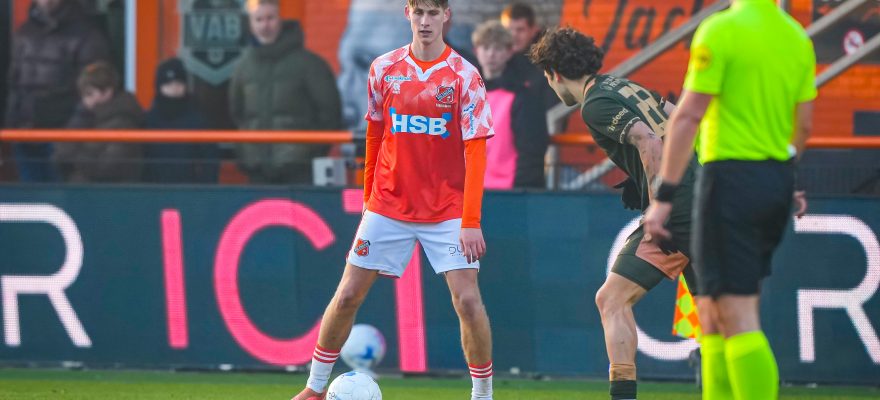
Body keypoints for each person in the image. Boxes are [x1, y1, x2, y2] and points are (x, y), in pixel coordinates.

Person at [291, 1, 495, 399]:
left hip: (447, 209)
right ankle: (314, 388)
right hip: (388, 203)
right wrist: (368, 198)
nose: (425, 21)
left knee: (468, 302)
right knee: (347, 294)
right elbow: (374, 134)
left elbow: (476, 152)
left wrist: (471, 220)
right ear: (407, 14)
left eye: (433, 13)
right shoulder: (383, 68)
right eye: (418, 12)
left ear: (446, 16)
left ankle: (482, 395)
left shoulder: (465, 76)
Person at [643, 0, 815, 399]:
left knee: (737, 315)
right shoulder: (797, 38)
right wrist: (778, 174)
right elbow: (803, 126)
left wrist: (664, 196)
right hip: (772, 179)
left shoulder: (720, 30)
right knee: (711, 314)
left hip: (729, 182)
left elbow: (688, 116)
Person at [528, 27, 700, 400]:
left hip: (679, 210)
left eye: (547, 77)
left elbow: (649, 141)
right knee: (718, 320)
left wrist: (658, 202)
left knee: (612, 299)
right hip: (703, 198)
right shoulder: (622, 86)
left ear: (554, 73)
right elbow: (679, 118)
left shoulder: (594, 104)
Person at [229, 0, 342, 184]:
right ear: (250, 24)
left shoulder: (309, 64)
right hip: (257, 169)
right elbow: (238, 113)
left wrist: (311, 152)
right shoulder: (243, 67)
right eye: (258, 19)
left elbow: (330, 112)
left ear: (280, 20)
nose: (265, 25)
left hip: (300, 170)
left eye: (270, 18)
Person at [5, 0, 110, 182]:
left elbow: (94, 91)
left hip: (61, 138)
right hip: (24, 135)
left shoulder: (86, 35)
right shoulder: (25, 33)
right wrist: (10, 127)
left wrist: (70, 135)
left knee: (61, 196)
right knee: (30, 196)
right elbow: (15, 85)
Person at [473, 20, 548, 189]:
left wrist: (520, 188)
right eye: (486, 47)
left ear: (509, 52)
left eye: (498, 48)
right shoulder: (468, 96)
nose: (491, 54)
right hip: (474, 188)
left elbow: (532, 150)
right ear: (476, 51)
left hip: (510, 190)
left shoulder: (523, 96)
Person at [52, 61, 143, 183]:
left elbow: (109, 167)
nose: (85, 100)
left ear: (107, 92)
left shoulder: (124, 122)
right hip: (80, 188)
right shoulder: (82, 116)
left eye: (89, 94)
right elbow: (59, 155)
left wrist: (74, 155)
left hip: (108, 191)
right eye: (83, 94)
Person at [144, 58, 219, 184]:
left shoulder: (197, 120)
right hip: (154, 190)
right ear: (159, 86)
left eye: (179, 83)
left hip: (189, 190)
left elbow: (210, 160)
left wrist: (204, 190)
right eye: (168, 84)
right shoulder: (148, 120)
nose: (174, 88)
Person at [500, 2, 558, 111]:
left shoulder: (546, 62)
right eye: (509, 30)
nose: (514, 35)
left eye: (520, 30)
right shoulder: (495, 59)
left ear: (533, 30)